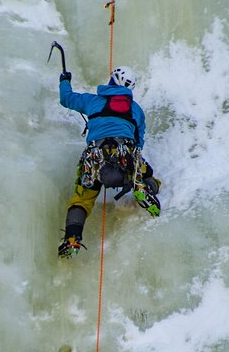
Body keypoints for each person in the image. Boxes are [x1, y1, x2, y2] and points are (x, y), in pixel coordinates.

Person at [58, 66, 161, 258]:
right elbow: (139, 141)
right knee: (147, 174)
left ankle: (72, 238)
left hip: (95, 157)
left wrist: (65, 80)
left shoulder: (93, 101)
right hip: (126, 154)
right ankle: (144, 187)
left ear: (112, 80)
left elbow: (67, 99)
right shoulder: (136, 110)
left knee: (82, 199)